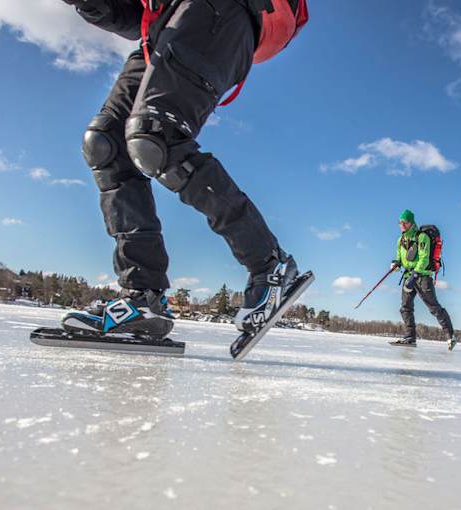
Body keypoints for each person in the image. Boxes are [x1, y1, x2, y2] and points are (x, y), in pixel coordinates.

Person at [58, 0, 308, 340]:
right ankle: (144, 298)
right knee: (106, 145)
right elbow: (135, 15)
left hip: (221, 10)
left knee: (156, 136)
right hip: (163, 28)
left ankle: (269, 264)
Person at [390, 209, 456, 350]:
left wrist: (415, 275)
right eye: (400, 222)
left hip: (422, 276)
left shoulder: (422, 237)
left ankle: (450, 336)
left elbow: (424, 258)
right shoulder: (400, 240)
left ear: (411, 223)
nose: (402, 225)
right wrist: (396, 264)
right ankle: (410, 337)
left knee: (434, 307)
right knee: (405, 307)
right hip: (408, 276)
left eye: (405, 222)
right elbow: (399, 257)